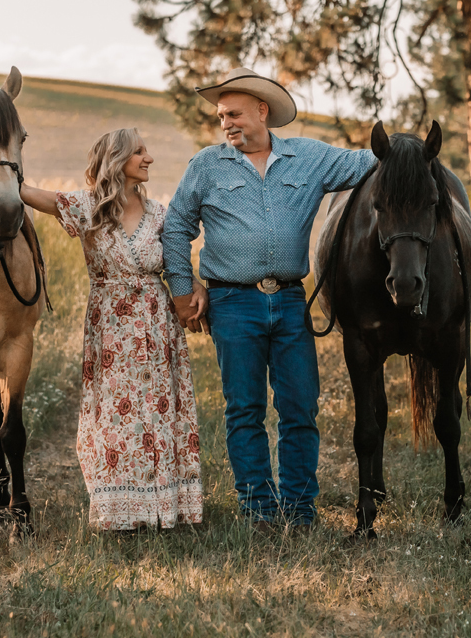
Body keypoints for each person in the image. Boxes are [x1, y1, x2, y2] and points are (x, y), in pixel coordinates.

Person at [161, 68, 375, 531]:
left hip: (291, 301)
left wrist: (410, 147)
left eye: (234, 113)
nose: (226, 123)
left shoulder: (310, 158)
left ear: (263, 110)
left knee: (300, 407)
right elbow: (177, 227)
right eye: (221, 116)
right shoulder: (207, 165)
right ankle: (258, 511)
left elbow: (369, 162)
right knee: (245, 410)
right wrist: (182, 290)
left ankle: (299, 512)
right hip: (233, 304)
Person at [21, 128, 203, 531]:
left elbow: (176, 265)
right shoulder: (89, 208)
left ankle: (164, 507)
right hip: (111, 328)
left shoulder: (160, 214)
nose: (149, 157)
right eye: (139, 151)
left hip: (158, 326)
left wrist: (196, 288)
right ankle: (121, 509)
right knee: (115, 416)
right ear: (117, 160)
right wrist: (1, 174)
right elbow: (36, 195)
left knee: (158, 411)